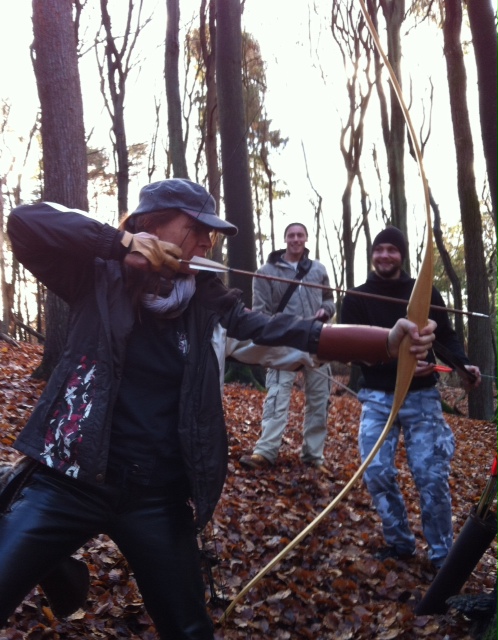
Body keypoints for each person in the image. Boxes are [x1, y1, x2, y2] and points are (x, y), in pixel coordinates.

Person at [0, 184, 436, 639]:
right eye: (196, 229)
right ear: (150, 223)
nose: (207, 243)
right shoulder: (97, 274)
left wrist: (387, 343)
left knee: (190, 631)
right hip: (68, 479)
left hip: (155, 495)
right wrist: (121, 243)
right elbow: (25, 221)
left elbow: (279, 330)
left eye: (211, 234)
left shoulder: (207, 299)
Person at [340, 226, 481, 570]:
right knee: (376, 470)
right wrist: (400, 364)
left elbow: (445, 337)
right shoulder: (356, 297)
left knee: (431, 475)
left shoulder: (424, 291)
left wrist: (462, 366)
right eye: (379, 249)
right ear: (372, 255)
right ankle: (400, 542)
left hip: (421, 397)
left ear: (401, 255)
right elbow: (353, 351)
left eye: (392, 249)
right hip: (378, 398)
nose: (384, 255)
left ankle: (442, 556)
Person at [240, 223, 335, 472]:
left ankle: (313, 456)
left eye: (300, 235)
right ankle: (265, 451)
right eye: (291, 235)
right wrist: (271, 334)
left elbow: (329, 300)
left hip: (316, 340)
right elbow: (260, 311)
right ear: (285, 239)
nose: (296, 239)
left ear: (306, 238)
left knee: (319, 399)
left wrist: (325, 311)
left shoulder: (318, 269)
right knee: (277, 396)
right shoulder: (265, 272)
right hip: (282, 341)